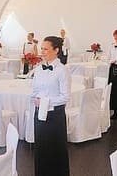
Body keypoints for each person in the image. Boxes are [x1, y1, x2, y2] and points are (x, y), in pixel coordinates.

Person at [31, 36, 70, 176]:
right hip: (39, 115)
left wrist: (46, 102)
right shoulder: (38, 69)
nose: (42, 52)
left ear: (56, 50)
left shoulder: (62, 70)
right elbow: (34, 91)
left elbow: (65, 97)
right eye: (41, 48)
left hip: (55, 116)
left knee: (56, 151)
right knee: (41, 150)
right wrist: (35, 99)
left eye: (46, 49)